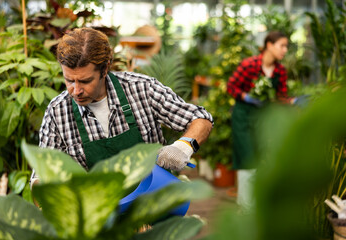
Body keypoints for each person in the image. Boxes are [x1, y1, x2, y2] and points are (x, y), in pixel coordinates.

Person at [30, 27, 213, 186]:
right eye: (69, 80)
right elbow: (40, 176)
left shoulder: (141, 89)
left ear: (105, 69)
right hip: (102, 219)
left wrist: (183, 147)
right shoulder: (57, 113)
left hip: (154, 208)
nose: (75, 90)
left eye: (85, 81)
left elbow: (201, 119)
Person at [227, 31, 295, 210]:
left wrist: (293, 101)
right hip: (243, 117)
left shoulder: (280, 71)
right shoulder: (249, 65)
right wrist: (246, 96)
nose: (285, 50)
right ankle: (246, 209)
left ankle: (256, 207)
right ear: (269, 45)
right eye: (282, 45)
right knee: (247, 160)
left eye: (286, 46)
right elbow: (231, 86)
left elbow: (281, 96)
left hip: (262, 119)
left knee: (259, 161)